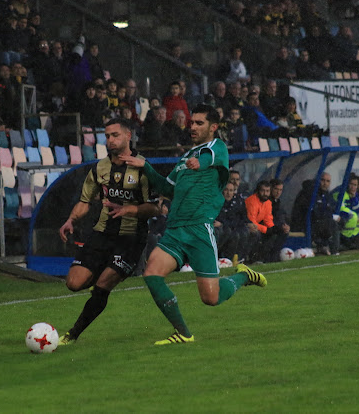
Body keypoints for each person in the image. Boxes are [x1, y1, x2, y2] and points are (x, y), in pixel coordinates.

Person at [120, 104, 267, 345]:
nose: (193, 127)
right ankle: (183, 333)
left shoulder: (216, 148)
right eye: (192, 123)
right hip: (175, 230)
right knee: (152, 274)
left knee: (211, 298)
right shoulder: (184, 159)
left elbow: (210, 159)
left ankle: (243, 276)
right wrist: (145, 167)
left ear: (213, 127)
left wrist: (200, 163)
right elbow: (168, 189)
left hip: (199, 229)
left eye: (199, 123)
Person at [57, 118, 160, 345]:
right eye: (107, 136)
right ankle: (106, 272)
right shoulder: (100, 167)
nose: (110, 140)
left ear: (128, 136)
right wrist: (71, 220)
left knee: (103, 285)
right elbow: (85, 201)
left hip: (131, 239)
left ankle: (73, 334)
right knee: (74, 283)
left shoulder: (143, 167)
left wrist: (129, 209)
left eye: (115, 135)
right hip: (101, 233)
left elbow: (155, 207)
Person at [291, 172, 341, 255]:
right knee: (332, 224)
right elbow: (314, 213)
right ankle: (333, 251)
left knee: (338, 222)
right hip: (305, 224)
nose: (325, 183)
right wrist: (331, 217)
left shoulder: (326, 195)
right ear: (318, 180)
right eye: (323, 180)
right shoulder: (310, 193)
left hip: (318, 223)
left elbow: (331, 208)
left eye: (328, 181)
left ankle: (326, 246)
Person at [245, 180, 290, 263]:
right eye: (263, 191)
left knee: (280, 232)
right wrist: (267, 230)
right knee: (257, 233)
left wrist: (274, 228)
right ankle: (252, 259)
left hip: (258, 226)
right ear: (258, 191)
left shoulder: (268, 202)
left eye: (267, 191)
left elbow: (268, 219)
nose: (265, 193)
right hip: (247, 226)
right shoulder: (252, 201)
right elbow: (252, 222)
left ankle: (272, 258)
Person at [214, 182, 258, 261]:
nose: (228, 193)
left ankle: (241, 258)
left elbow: (242, 216)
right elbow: (220, 219)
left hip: (233, 226)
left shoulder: (238, 202)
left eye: (231, 190)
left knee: (253, 233)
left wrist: (249, 223)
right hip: (225, 227)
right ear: (222, 191)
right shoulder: (217, 202)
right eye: (226, 190)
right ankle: (224, 258)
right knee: (233, 234)